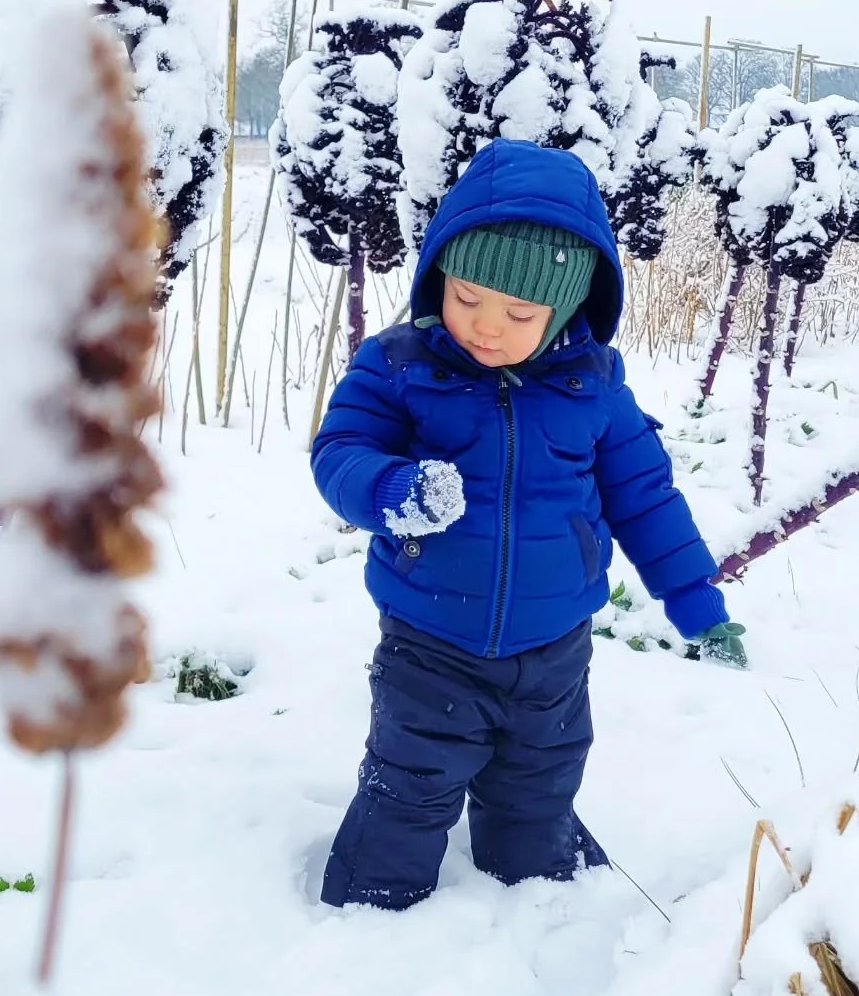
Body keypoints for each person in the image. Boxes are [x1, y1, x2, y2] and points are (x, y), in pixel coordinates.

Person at [311, 138, 744, 910]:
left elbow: (647, 500)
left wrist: (697, 602)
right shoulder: (400, 366)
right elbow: (340, 451)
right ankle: (370, 909)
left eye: (518, 312)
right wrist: (391, 489)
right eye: (467, 297)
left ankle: (539, 901)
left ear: (568, 309)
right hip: (430, 640)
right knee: (409, 782)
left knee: (540, 785)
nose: (485, 326)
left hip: (553, 649)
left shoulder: (594, 389)